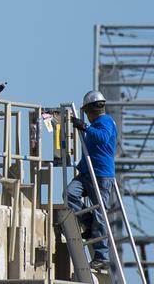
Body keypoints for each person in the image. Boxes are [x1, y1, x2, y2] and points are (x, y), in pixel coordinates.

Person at [66, 90, 118, 275]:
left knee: (99, 212)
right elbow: (91, 150)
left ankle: (102, 257)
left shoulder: (105, 122)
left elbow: (102, 138)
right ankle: (88, 225)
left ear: (90, 109)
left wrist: (85, 127)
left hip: (102, 175)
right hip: (88, 172)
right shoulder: (96, 123)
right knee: (70, 194)